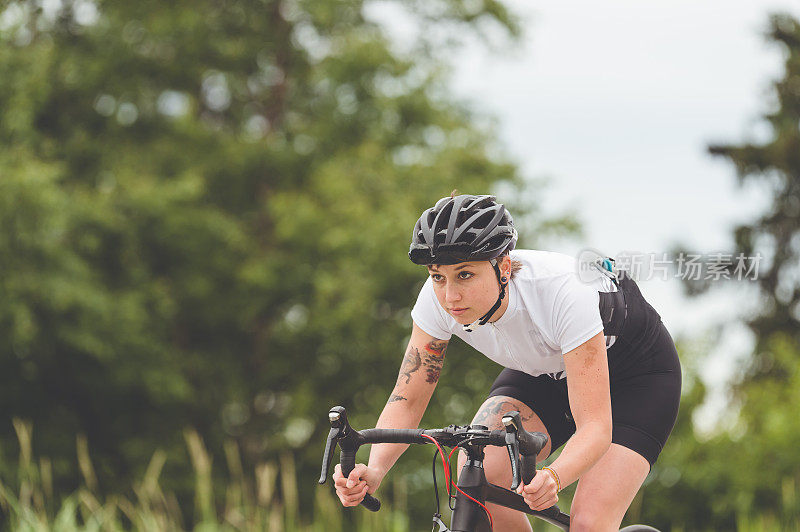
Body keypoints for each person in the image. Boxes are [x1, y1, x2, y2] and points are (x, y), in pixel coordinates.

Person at [332, 194, 682, 531]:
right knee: (479, 473)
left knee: (589, 524)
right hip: (544, 370)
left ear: (502, 265)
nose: (450, 296)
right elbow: (407, 398)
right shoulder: (435, 300)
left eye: (465, 275)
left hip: (636, 377)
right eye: (438, 276)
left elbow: (595, 426)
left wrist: (554, 477)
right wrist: (375, 469)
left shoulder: (563, 291)